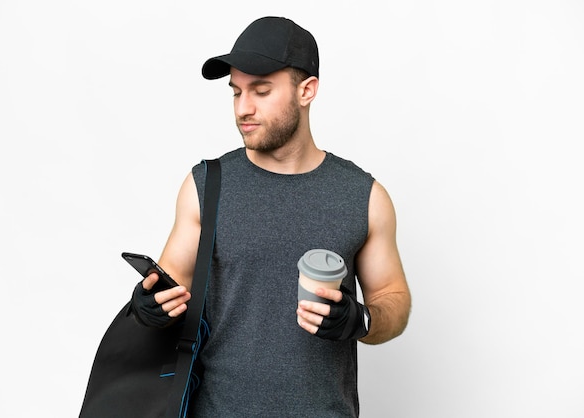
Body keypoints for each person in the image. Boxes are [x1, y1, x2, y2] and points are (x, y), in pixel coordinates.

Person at [130, 16, 411, 417]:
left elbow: (392, 301)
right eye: (236, 92)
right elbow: (170, 288)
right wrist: (148, 307)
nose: (243, 108)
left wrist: (360, 319)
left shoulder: (364, 196)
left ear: (306, 90)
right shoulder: (206, 186)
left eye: (261, 91)